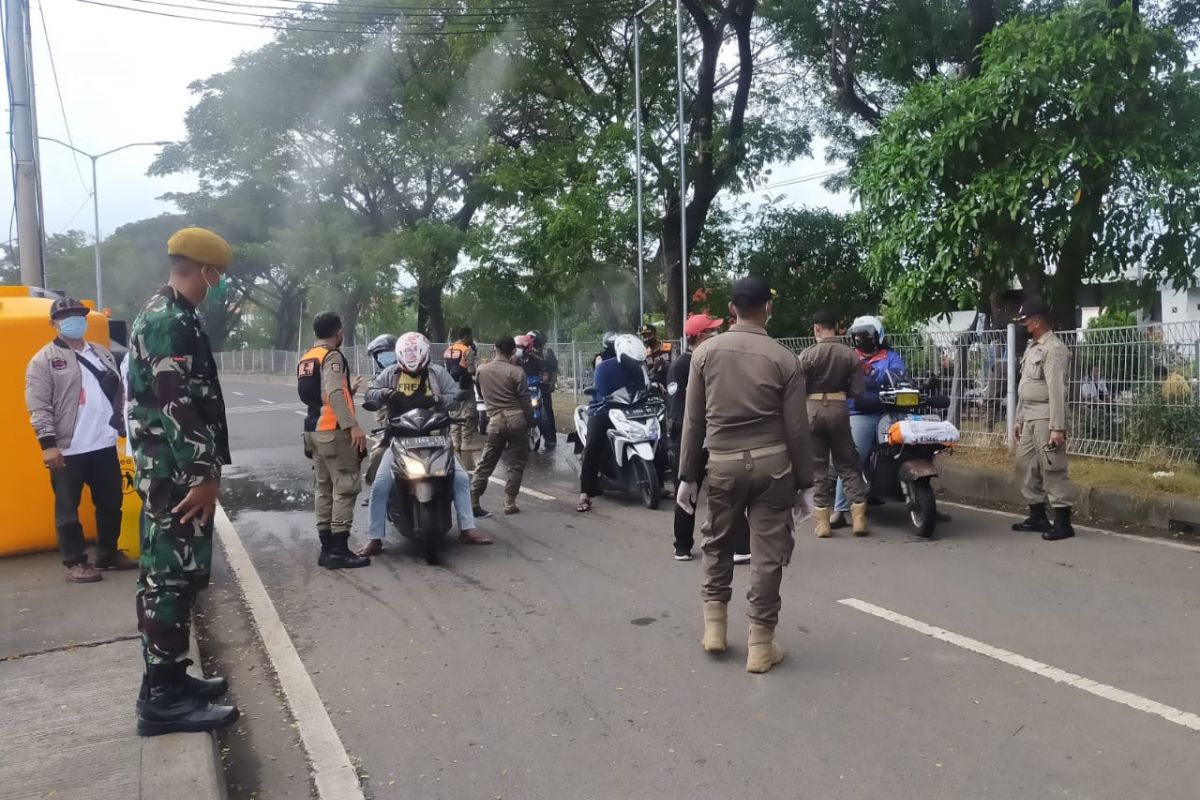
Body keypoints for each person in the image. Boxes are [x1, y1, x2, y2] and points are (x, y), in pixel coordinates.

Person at [128, 227, 238, 736]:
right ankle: (164, 701)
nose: (221, 284)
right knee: (168, 580)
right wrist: (201, 473)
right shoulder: (167, 320)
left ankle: (169, 679)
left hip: (174, 471)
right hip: (175, 475)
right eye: (220, 275)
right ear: (205, 270)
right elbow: (175, 402)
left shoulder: (174, 315)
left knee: (179, 576)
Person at [676, 276, 814, 675]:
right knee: (767, 555)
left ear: (732, 308)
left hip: (721, 463)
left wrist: (687, 476)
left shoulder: (704, 355)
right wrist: (806, 484)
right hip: (774, 466)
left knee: (716, 542)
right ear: (767, 308)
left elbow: (692, 422)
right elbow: (797, 429)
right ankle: (760, 646)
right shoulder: (784, 358)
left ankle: (715, 630)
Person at [25, 297, 134, 583]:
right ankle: (75, 562)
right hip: (67, 448)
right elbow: (38, 405)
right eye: (66, 316)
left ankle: (107, 553)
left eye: (78, 315)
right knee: (67, 508)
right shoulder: (44, 360)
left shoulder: (101, 353)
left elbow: (119, 392)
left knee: (111, 502)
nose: (75, 320)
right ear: (54, 324)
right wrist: (47, 444)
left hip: (103, 443)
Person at [358, 333, 491, 555]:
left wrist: (438, 400)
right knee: (381, 484)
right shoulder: (390, 374)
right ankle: (374, 538)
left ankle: (468, 528)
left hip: (437, 438)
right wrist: (383, 394)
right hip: (400, 440)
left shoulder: (437, 373)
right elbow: (370, 395)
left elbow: (454, 395)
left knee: (460, 479)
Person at [667, 313, 751, 562]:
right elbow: (679, 407)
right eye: (713, 332)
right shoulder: (682, 365)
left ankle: (741, 545)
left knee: (727, 489)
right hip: (689, 438)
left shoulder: (711, 361)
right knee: (687, 490)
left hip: (713, 436)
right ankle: (682, 544)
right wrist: (695, 438)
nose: (717, 335)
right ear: (702, 337)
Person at [297, 311, 371, 569]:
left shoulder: (307, 358)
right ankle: (339, 550)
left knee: (324, 489)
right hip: (333, 431)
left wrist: (349, 391)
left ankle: (326, 549)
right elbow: (332, 391)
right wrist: (353, 426)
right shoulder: (332, 356)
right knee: (346, 487)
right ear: (338, 331)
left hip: (313, 431)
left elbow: (317, 395)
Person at [830, 315, 906, 529]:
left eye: (868, 334)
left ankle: (924, 501)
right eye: (859, 335)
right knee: (852, 460)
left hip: (889, 412)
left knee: (912, 448)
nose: (863, 338)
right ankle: (840, 510)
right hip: (860, 414)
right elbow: (848, 381)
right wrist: (877, 378)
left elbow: (899, 376)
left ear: (878, 335)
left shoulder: (890, 356)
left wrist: (870, 376)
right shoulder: (849, 357)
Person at [800, 310, 869, 538]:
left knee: (818, 468)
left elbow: (797, 389)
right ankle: (859, 519)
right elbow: (859, 391)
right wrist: (842, 393)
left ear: (816, 329)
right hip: (840, 410)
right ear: (836, 327)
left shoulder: (807, 355)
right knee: (848, 464)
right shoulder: (849, 356)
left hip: (813, 412)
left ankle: (822, 524)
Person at [1011, 300, 1076, 541]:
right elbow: (1025, 386)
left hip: (1047, 416)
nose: (1023, 325)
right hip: (1029, 416)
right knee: (1025, 464)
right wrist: (1019, 418)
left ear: (1036, 322)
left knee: (1052, 468)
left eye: (1025, 321)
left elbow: (1056, 390)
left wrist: (1057, 427)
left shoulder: (1054, 349)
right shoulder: (1033, 348)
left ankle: (1063, 523)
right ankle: (1037, 515)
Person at [576, 334, 647, 513]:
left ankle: (659, 483)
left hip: (630, 411)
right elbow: (601, 392)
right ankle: (585, 493)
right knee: (593, 445)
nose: (635, 364)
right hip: (603, 410)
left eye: (637, 362)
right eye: (632, 361)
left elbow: (641, 389)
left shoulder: (638, 370)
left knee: (656, 435)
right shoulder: (604, 368)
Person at [471, 336, 535, 515]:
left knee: (486, 462)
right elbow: (525, 400)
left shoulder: (481, 370)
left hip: (495, 421)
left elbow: (480, 394)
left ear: (494, 348)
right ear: (513, 351)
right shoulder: (517, 372)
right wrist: (530, 421)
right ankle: (509, 502)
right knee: (516, 463)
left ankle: (474, 500)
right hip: (517, 420)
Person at [443, 327, 482, 470]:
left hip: (451, 387)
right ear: (465, 335)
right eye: (470, 336)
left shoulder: (448, 349)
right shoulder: (467, 350)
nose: (471, 339)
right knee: (469, 414)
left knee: (454, 414)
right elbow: (471, 370)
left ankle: (455, 442)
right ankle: (466, 443)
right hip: (465, 386)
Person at [528, 330, 558, 449]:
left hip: (544, 386)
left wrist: (553, 382)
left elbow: (554, 369)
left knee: (547, 411)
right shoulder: (525, 353)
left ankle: (551, 437)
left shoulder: (547, 352)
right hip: (528, 386)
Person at [641, 323, 674, 388]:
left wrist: (665, 364)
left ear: (655, 334)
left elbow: (676, 367)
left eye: (649, 335)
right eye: (644, 336)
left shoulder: (668, 347)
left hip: (670, 384)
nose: (647, 339)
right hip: (654, 388)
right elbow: (646, 376)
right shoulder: (644, 354)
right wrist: (654, 369)